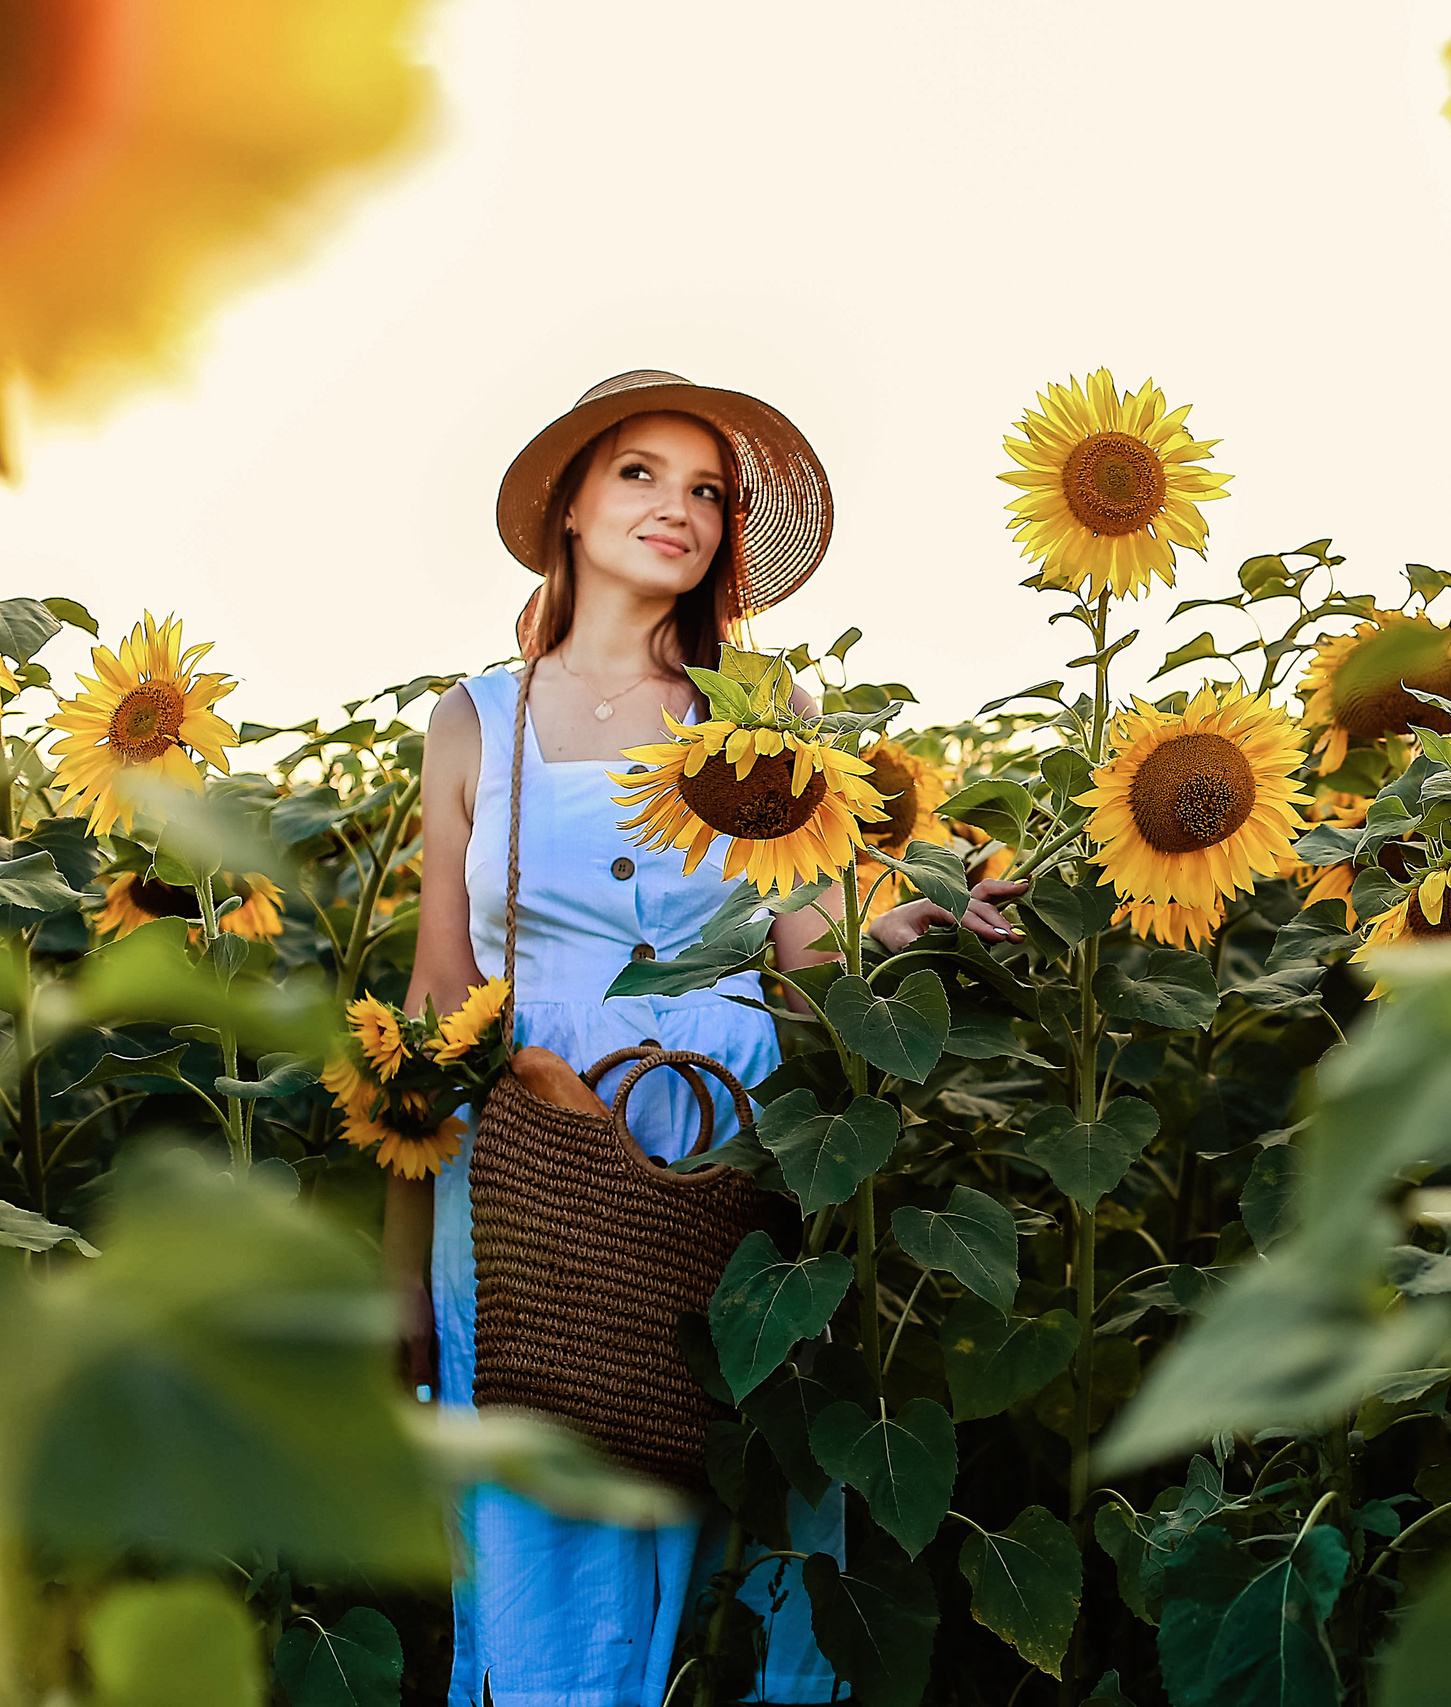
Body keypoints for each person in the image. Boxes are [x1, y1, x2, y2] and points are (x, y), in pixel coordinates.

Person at [388, 370, 1023, 1705]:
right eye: (639, 473)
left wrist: (928, 921)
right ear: (566, 503)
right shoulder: (474, 722)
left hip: (725, 1132)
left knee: (740, 1492)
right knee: (541, 1504)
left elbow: (810, 944)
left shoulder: (748, 719)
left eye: (707, 491)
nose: (676, 507)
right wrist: (404, 1274)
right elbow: (433, 1010)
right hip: (527, 1154)